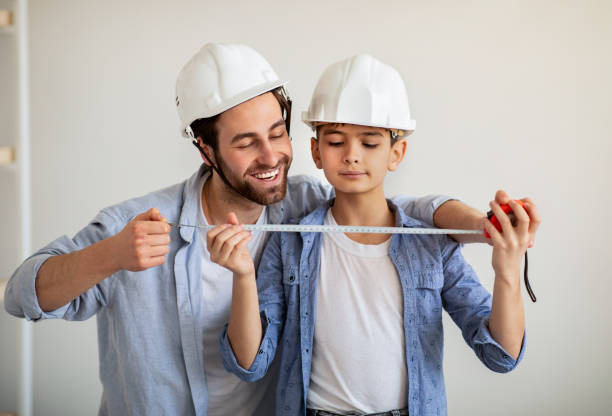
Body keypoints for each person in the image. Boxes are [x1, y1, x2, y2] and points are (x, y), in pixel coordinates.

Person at [4, 43, 534, 416]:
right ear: (205, 149)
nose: (270, 157)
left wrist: (484, 226)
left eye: (277, 134)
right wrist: (111, 254)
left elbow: (399, 210)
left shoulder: (299, 209)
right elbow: (21, 293)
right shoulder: (140, 224)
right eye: (245, 143)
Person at [211, 54, 541, 416]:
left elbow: (501, 355)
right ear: (316, 151)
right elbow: (249, 363)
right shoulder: (293, 242)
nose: (352, 156)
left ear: (396, 152)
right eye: (336, 142)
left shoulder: (429, 246)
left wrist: (507, 268)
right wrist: (243, 276)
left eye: (369, 144)